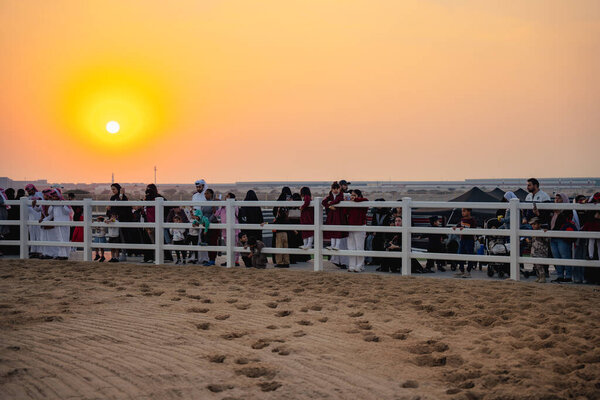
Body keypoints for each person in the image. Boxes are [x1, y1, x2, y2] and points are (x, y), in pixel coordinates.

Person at [549, 193, 577, 283]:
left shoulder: (567, 211)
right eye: (556, 198)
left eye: (559, 198)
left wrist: (559, 213)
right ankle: (560, 275)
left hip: (563, 237)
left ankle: (568, 276)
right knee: (556, 256)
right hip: (553, 236)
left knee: (565, 256)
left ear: (564, 200)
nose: (556, 200)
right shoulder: (553, 211)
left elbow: (565, 222)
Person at [322, 182, 348, 269]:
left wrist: (330, 203)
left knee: (339, 233)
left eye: (337, 188)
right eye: (334, 189)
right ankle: (333, 247)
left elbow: (337, 200)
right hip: (333, 217)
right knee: (333, 231)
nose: (335, 190)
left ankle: (337, 250)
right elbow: (324, 202)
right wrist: (329, 206)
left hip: (339, 217)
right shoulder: (331, 195)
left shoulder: (341, 195)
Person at [345, 189, 368, 272]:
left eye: (354, 195)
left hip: (360, 226)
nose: (352, 196)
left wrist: (355, 199)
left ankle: (360, 265)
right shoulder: (350, 203)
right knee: (351, 247)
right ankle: (352, 265)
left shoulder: (363, 201)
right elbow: (345, 211)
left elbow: (366, 200)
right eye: (351, 195)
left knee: (359, 247)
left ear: (359, 195)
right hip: (350, 226)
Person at [108, 183, 132, 261]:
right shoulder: (112, 198)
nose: (113, 191)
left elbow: (124, 208)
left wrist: (121, 195)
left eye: (114, 189)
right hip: (113, 220)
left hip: (122, 220)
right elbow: (110, 208)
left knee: (122, 238)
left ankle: (123, 254)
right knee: (113, 238)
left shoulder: (124, 197)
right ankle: (113, 256)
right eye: (112, 189)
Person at [215, 193, 240, 266]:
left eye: (227, 196)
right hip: (224, 229)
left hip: (234, 228)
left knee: (235, 244)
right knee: (227, 245)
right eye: (225, 196)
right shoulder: (222, 206)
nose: (226, 197)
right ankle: (229, 260)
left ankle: (236, 261)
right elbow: (216, 214)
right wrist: (217, 205)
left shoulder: (235, 205)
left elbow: (237, 213)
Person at [48, 189, 72, 260]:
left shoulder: (64, 202)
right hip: (57, 223)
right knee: (59, 239)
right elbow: (49, 213)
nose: (53, 198)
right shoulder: (53, 204)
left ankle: (65, 255)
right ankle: (61, 254)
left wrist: (62, 205)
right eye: (52, 197)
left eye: (55, 196)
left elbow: (68, 212)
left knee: (64, 239)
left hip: (64, 223)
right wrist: (52, 205)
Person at [453, 208, 477, 278]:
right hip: (462, 240)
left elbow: (474, 229)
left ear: (469, 212)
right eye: (462, 211)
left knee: (470, 255)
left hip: (469, 240)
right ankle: (461, 270)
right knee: (460, 254)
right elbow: (458, 225)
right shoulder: (462, 220)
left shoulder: (472, 220)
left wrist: (465, 229)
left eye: (464, 211)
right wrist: (455, 227)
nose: (462, 213)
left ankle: (468, 271)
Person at [370, 199, 392, 266]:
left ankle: (381, 260)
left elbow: (387, 224)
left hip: (385, 232)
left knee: (381, 242)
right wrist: (373, 230)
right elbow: (373, 223)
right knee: (374, 241)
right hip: (376, 232)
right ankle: (375, 260)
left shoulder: (388, 213)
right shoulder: (375, 213)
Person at [200, 189, 219, 266]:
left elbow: (215, 213)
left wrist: (208, 221)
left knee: (213, 242)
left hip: (212, 223)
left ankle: (212, 260)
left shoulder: (214, 202)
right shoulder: (204, 203)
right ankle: (208, 258)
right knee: (206, 241)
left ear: (211, 194)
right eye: (205, 194)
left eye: (207, 193)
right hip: (205, 224)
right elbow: (202, 213)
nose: (205, 195)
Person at [25, 184, 44, 258]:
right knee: (32, 234)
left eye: (30, 190)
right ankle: (33, 251)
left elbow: (42, 202)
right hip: (31, 218)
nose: (29, 191)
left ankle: (39, 251)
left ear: (33, 189)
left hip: (39, 216)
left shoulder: (39, 194)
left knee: (39, 234)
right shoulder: (28, 198)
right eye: (27, 190)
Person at [529, 217, 550, 283]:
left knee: (539, 265)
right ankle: (539, 276)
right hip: (534, 250)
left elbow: (547, 240)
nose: (533, 226)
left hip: (541, 250)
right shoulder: (533, 232)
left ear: (539, 224)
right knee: (535, 265)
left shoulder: (542, 231)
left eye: (534, 224)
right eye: (532, 224)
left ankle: (542, 276)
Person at [272, 202, 290, 268]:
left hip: (279, 234)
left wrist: (266, 223)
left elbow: (273, 224)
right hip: (285, 234)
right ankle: (286, 262)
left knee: (279, 247)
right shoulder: (286, 218)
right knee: (285, 247)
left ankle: (279, 262)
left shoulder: (278, 218)